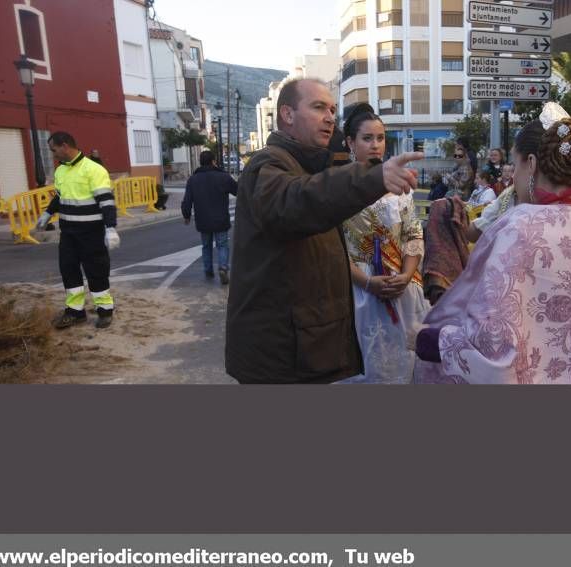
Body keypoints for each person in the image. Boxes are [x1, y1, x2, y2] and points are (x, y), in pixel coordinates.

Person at [412, 112, 571, 384]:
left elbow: (491, 344)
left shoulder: (517, 228)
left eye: (515, 164)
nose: (513, 179)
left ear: (531, 163)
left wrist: (429, 340)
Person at [225, 78, 423, 384]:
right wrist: (371, 177)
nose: (330, 117)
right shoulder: (268, 165)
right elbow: (297, 201)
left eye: (332, 109)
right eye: (319, 108)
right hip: (282, 356)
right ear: (287, 115)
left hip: (306, 345)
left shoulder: (310, 166)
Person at [338, 103, 431, 383]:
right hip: (358, 293)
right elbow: (333, 251)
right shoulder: (337, 188)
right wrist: (367, 283)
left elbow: (413, 235)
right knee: (366, 369)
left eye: (380, 138)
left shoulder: (399, 187)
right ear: (350, 143)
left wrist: (404, 275)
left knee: (405, 366)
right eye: (367, 138)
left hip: (402, 290)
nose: (376, 145)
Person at [35, 132, 120, 329]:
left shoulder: (94, 170)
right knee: (68, 270)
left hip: (91, 232)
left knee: (96, 271)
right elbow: (60, 197)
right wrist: (48, 213)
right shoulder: (60, 171)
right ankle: (75, 312)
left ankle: (105, 311)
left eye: (54, 149)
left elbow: (106, 202)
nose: (53, 154)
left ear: (65, 146)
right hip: (68, 233)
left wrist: (110, 228)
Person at [181, 150, 238, 285]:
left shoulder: (193, 179)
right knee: (222, 245)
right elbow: (238, 190)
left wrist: (186, 215)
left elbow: (187, 200)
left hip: (203, 219)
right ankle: (223, 267)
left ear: (200, 162)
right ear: (213, 161)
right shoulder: (223, 177)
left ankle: (208, 270)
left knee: (206, 245)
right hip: (221, 219)